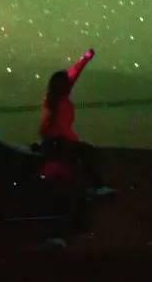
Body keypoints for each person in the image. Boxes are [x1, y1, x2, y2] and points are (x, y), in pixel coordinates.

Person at [40, 47, 114, 198]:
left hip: (55, 142)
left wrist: (85, 58)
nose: (70, 82)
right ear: (62, 85)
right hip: (57, 143)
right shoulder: (55, 102)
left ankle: (89, 188)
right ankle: (95, 188)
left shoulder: (56, 97)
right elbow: (59, 127)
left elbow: (73, 73)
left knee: (82, 154)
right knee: (87, 153)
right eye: (66, 82)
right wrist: (74, 140)